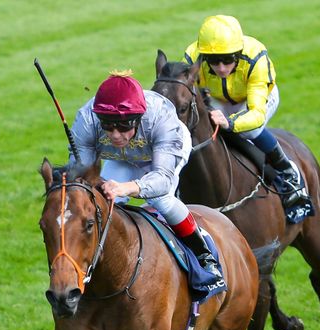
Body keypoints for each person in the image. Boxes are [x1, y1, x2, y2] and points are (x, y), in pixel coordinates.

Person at [67, 71, 224, 286]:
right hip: (122, 158)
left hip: (163, 155)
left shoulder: (160, 117)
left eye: (124, 126)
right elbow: (82, 172)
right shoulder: (87, 118)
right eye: (107, 125)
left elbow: (162, 179)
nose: (115, 135)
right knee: (100, 202)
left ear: (139, 118)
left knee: (161, 199)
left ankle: (203, 255)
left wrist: (125, 188)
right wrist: (95, 183)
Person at [183, 15, 312, 220]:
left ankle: (286, 169)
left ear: (238, 54)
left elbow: (256, 114)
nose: (222, 68)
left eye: (227, 60)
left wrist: (230, 122)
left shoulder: (255, 57)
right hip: (218, 98)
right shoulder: (192, 57)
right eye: (214, 62)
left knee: (248, 130)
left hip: (256, 98)